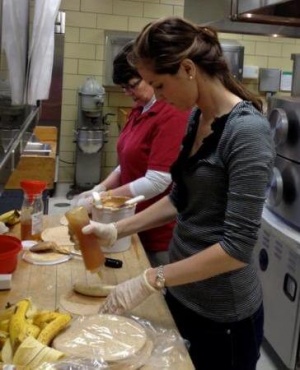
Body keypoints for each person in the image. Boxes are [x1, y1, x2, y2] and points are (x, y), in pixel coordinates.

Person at [81, 16, 275, 370]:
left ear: (187, 68)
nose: (157, 96)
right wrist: (119, 228)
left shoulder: (246, 132)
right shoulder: (195, 118)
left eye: (159, 84)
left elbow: (236, 248)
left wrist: (152, 277)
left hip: (223, 313)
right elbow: (180, 198)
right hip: (183, 290)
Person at [74, 40, 190, 267]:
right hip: (128, 224)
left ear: (150, 75)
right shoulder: (139, 109)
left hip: (156, 233)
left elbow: (158, 180)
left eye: (132, 85)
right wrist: (100, 189)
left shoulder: (171, 113)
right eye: (124, 87)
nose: (127, 92)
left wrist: (103, 200)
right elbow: (127, 162)